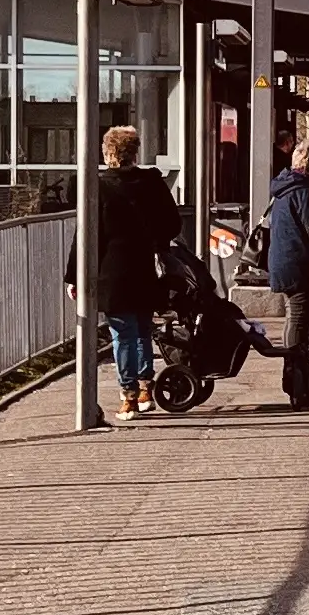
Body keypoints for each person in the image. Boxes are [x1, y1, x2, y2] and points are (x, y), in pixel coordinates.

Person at [87, 123, 183, 421]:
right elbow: (172, 223)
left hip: (112, 270)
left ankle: (128, 394)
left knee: (122, 334)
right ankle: (145, 388)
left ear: (107, 153)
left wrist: (72, 275)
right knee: (142, 329)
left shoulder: (100, 186)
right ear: (134, 151)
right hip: (145, 266)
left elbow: (87, 235)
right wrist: (155, 242)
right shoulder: (153, 182)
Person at [260, 140, 309, 403]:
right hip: (301, 266)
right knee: (299, 322)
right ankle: (295, 377)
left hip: (283, 261)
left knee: (294, 319)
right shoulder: (308, 191)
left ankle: (296, 374)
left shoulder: (284, 187)